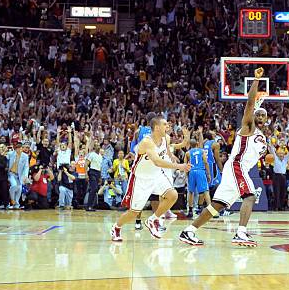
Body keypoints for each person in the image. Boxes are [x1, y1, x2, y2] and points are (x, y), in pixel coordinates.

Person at [179, 67, 268, 246]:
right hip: (237, 166)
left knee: (217, 205)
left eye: (262, 115)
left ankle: (189, 231)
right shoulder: (248, 128)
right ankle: (241, 233)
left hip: (238, 170)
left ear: (266, 119)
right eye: (257, 114)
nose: (259, 116)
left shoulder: (263, 137)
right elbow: (250, 104)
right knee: (250, 196)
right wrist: (256, 82)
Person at [110, 115, 191, 242]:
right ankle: (116, 227)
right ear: (157, 127)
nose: (168, 126)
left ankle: (153, 219)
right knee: (134, 212)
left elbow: (170, 153)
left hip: (157, 175)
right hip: (140, 178)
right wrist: (178, 166)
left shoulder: (166, 139)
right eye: (165, 124)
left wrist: (186, 137)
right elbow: (157, 161)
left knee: (173, 195)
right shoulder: (147, 142)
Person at [184, 139, 211, 219]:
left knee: (191, 192)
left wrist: (186, 176)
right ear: (197, 144)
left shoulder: (188, 153)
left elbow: (186, 165)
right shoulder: (202, 151)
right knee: (205, 191)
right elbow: (206, 162)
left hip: (192, 172)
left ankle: (190, 211)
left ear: (190, 145)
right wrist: (208, 174)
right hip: (200, 171)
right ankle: (211, 211)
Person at [6, 142, 30, 209]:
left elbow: (26, 167)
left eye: (20, 148)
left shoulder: (25, 156)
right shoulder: (10, 154)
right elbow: (4, 157)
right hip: (11, 173)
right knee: (13, 186)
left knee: (19, 189)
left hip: (19, 175)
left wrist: (25, 175)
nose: (19, 150)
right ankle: (12, 201)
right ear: (15, 149)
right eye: (17, 148)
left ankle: (16, 204)